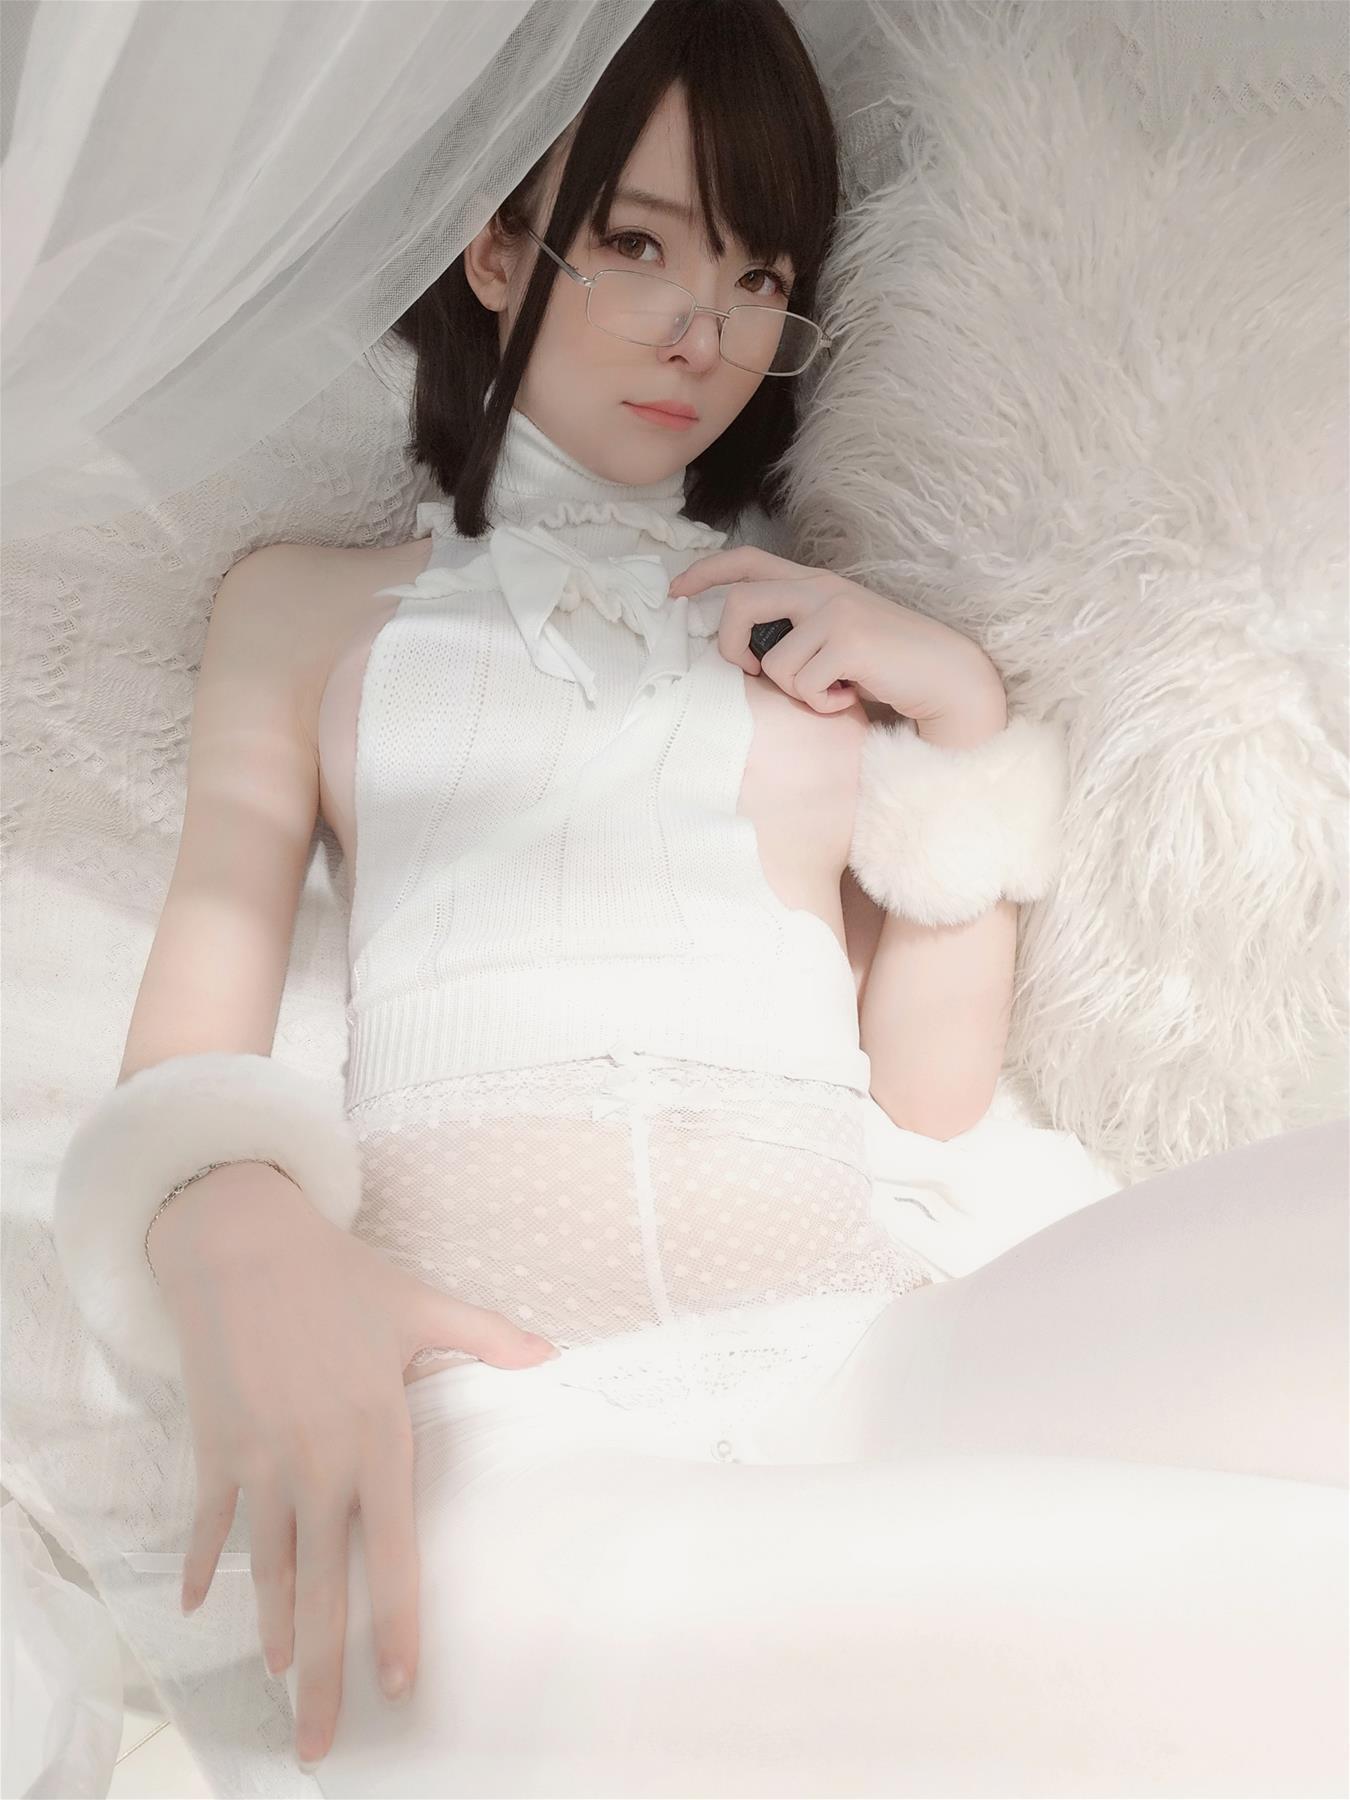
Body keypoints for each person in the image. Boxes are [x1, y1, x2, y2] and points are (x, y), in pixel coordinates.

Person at [51, 2, 1348, 1793]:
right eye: (641, 247)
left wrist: (962, 717)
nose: (702, 332)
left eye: (757, 279)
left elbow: (931, 1096)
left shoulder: (813, 642)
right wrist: (231, 1223)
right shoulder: (303, 606)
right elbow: (204, 978)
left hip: (865, 1347)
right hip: (514, 1403)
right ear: (497, 253)